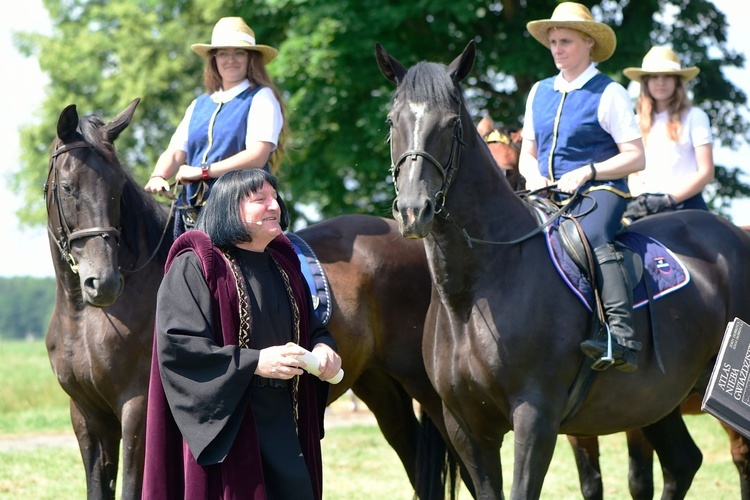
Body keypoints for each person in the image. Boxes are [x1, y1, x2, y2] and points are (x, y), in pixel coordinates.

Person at [142, 168, 342, 499]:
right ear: (229, 208)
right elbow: (179, 347)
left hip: (284, 418)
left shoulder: (285, 266)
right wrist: (255, 362)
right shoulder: (196, 265)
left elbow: (314, 328)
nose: (273, 205)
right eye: (259, 199)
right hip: (228, 425)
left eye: (274, 197)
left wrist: (323, 348)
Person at [520, 2, 645, 372]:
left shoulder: (610, 93)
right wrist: (531, 175)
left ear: (589, 42)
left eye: (566, 41)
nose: (557, 49)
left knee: (592, 237)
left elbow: (636, 157)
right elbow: (528, 152)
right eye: (553, 42)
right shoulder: (538, 92)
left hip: (600, 193)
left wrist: (590, 171)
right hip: (545, 193)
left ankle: (620, 337)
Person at [144, 16, 287, 238]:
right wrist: (158, 175)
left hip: (242, 207)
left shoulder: (262, 97)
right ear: (214, 59)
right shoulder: (198, 104)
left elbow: (257, 156)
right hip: (194, 210)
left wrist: (202, 171)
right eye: (223, 53)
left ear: (251, 59)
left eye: (239, 52)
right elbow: (175, 152)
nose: (231, 59)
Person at [622, 46, 714, 221]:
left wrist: (669, 199)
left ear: (677, 82)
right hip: (644, 207)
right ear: (646, 82)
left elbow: (706, 172)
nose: (661, 82)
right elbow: (632, 171)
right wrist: (640, 198)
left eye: (667, 76)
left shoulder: (695, 116)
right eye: (654, 77)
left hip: (686, 205)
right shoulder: (635, 122)